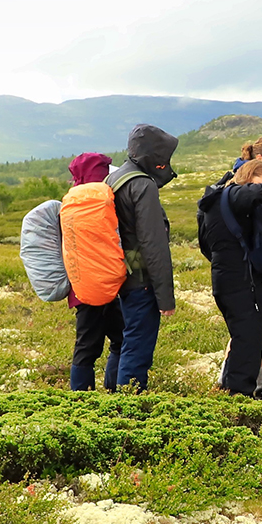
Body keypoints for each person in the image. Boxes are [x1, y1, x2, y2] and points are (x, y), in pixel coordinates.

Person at [198, 136, 262, 407]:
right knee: (247, 343)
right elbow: (253, 193)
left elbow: (205, 243)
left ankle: (231, 395)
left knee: (243, 340)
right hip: (243, 282)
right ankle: (240, 403)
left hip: (226, 278)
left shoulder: (214, 200)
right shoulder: (237, 195)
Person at [106, 124, 179, 390]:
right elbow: (154, 244)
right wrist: (165, 296)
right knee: (137, 348)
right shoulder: (143, 185)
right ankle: (128, 414)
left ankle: (109, 402)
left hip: (119, 275)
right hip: (140, 280)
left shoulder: (113, 179)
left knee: (125, 343)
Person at [65, 152, 124, 391]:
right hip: (113, 284)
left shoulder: (70, 201)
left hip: (81, 287)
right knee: (121, 341)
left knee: (85, 347)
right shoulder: (108, 198)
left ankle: (80, 401)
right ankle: (115, 393)